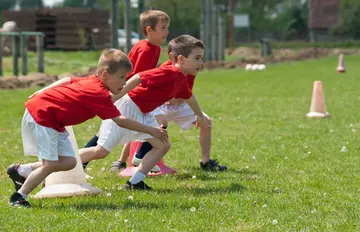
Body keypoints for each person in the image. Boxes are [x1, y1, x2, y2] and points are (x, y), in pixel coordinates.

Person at [7, 49, 167, 207]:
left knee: (70, 162)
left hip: (54, 120)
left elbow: (67, 80)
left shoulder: (93, 80)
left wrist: (42, 90)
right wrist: (151, 130)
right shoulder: (98, 93)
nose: (125, 82)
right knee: (51, 164)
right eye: (121, 77)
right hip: (43, 115)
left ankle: (21, 171)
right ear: (105, 74)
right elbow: (120, 120)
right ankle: (19, 197)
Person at [79, 35, 210, 190]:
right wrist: (116, 97)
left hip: (143, 112)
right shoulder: (169, 72)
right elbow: (139, 77)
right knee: (101, 151)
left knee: (162, 145)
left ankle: (135, 182)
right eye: (197, 58)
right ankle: (62, 166)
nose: (201, 63)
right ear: (180, 59)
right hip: (129, 107)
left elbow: (190, 97)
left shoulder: (181, 78)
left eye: (202, 58)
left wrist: (200, 116)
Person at [82, 10, 170, 173]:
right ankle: (139, 158)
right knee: (104, 139)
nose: (167, 32)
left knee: (158, 123)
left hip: (134, 96)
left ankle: (138, 157)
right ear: (149, 30)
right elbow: (137, 78)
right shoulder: (145, 50)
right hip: (128, 96)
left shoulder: (155, 48)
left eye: (167, 28)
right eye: (163, 28)